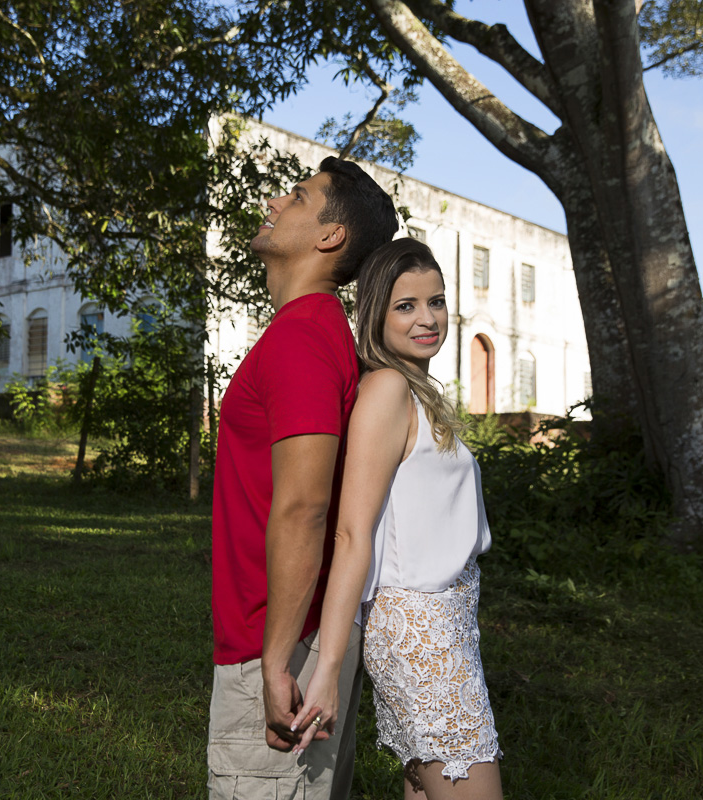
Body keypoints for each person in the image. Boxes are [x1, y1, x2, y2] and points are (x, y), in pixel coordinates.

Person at [207, 156, 398, 800]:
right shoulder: (308, 332)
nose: (275, 202)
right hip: (284, 632)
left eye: (297, 196)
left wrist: (274, 660)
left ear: (330, 236)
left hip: (280, 638)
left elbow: (305, 508)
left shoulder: (304, 338)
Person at [291, 238, 504, 800]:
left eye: (436, 302)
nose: (427, 318)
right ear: (375, 314)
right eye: (405, 306)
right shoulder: (387, 389)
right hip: (419, 629)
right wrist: (330, 668)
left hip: (448, 623)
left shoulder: (416, 389)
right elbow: (352, 532)